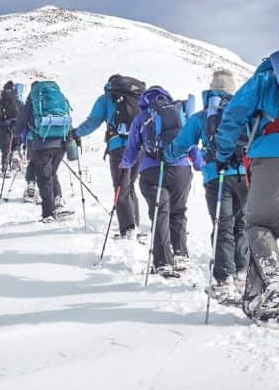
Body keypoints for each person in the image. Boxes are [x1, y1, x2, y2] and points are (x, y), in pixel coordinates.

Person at [212, 50, 279, 330]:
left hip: (271, 158)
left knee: (260, 224)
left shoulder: (262, 81)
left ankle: (273, 281)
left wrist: (223, 153)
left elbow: (233, 115)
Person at [166, 70, 250, 303]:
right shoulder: (245, 110)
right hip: (245, 175)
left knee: (222, 226)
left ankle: (224, 281)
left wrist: (168, 154)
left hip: (216, 176)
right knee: (242, 225)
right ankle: (243, 274)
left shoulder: (204, 116)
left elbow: (183, 143)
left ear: (212, 90)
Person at [121, 86, 202, 278]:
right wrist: (198, 164)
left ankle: (163, 262)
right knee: (178, 211)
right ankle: (181, 254)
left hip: (152, 170)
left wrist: (125, 165)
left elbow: (132, 148)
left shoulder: (142, 117)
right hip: (181, 170)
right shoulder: (180, 112)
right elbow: (191, 143)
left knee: (160, 213)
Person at [71, 75, 145, 239]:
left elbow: (93, 122)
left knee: (121, 188)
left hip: (119, 147)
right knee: (130, 185)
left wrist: (76, 133)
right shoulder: (137, 97)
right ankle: (135, 225)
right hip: (139, 147)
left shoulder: (106, 98)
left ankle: (128, 230)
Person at [15, 80, 73, 223]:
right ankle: (57, 201)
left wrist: (15, 132)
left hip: (42, 143)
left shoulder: (32, 100)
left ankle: (48, 214)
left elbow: (21, 121)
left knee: (44, 178)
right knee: (51, 173)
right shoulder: (58, 97)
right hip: (61, 143)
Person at [0, 81, 22, 174]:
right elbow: (25, 112)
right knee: (16, 145)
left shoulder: (0, 100)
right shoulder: (17, 101)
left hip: (3, 126)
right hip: (16, 126)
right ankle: (16, 155)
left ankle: (5, 169)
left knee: (5, 149)